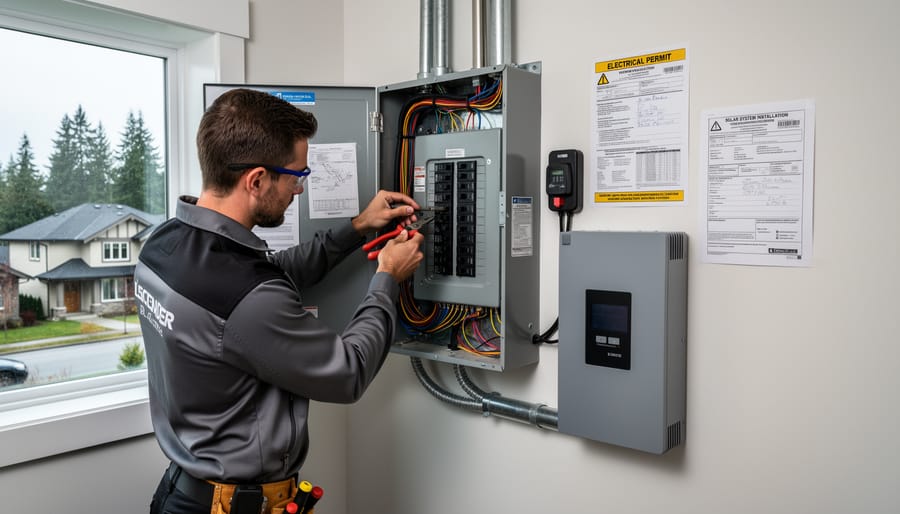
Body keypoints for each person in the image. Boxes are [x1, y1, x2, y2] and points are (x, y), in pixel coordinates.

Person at [137, 88, 424, 514]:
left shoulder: (163, 245)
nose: (300, 190)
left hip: (181, 493)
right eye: (296, 176)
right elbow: (348, 372)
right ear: (255, 180)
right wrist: (387, 276)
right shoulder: (245, 294)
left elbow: (272, 273)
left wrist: (358, 226)